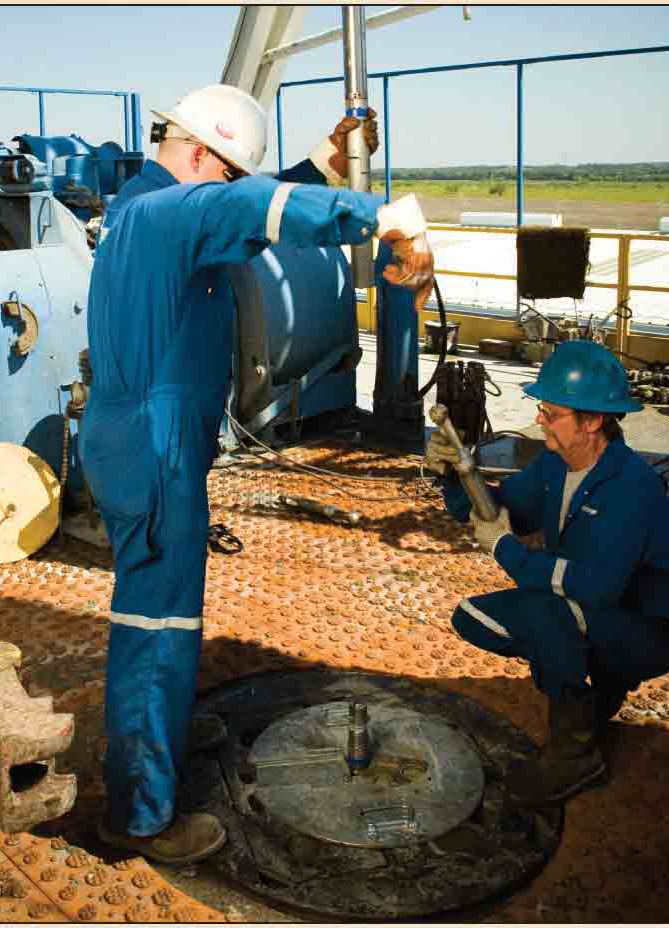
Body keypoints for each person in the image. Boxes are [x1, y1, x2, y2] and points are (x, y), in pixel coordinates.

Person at [78, 82, 435, 866]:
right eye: (230, 172)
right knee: (155, 627)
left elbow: (240, 208)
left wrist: (326, 163)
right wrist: (385, 216)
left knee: (164, 611)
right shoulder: (166, 212)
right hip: (154, 445)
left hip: (155, 437)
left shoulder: (152, 204)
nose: (232, 190)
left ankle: (161, 732)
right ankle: (140, 814)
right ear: (201, 155)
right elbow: (240, 211)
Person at [426, 340, 669, 807]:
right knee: (473, 617)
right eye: (542, 410)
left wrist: (506, 550)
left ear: (592, 421)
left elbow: (594, 586)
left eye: (552, 413)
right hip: (594, 609)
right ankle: (598, 689)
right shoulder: (555, 463)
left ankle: (576, 755)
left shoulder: (632, 488)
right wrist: (453, 476)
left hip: (650, 631)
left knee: (548, 617)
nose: (540, 420)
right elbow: (500, 509)